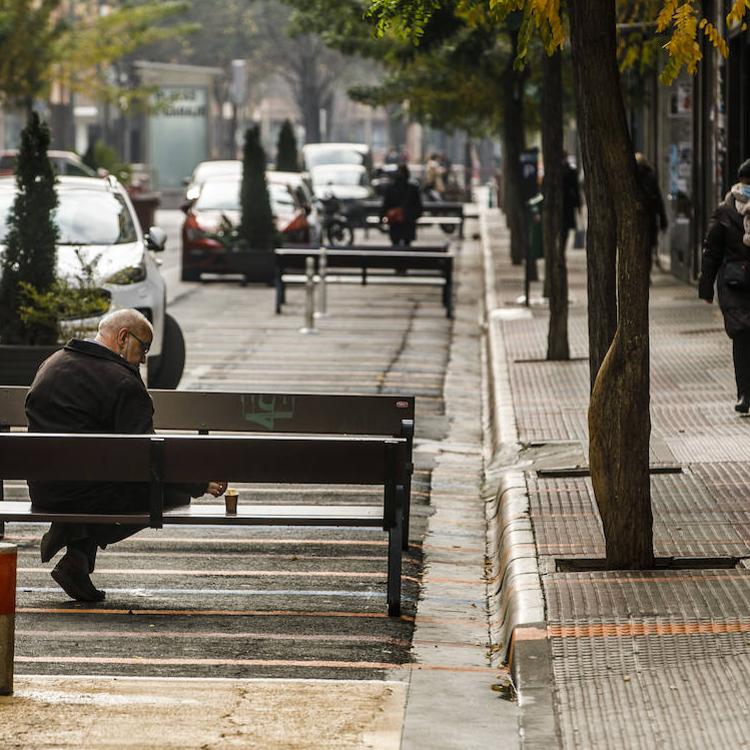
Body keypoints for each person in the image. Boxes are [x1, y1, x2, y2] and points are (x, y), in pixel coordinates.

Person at [25, 309, 227, 602]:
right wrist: (197, 483)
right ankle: (76, 555)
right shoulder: (123, 382)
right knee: (167, 496)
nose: (144, 358)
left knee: (101, 478)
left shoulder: (51, 364)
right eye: (143, 347)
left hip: (45, 492)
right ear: (122, 338)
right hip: (87, 496)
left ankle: (74, 551)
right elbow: (147, 457)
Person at [698, 159, 750, 413]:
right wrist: (705, 286)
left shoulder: (723, 210)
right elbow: (712, 251)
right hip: (734, 283)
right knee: (741, 335)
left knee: (743, 338)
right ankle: (745, 394)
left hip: (735, 281)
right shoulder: (725, 211)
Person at [635, 153, 668, 271]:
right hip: (649, 218)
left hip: (637, 220)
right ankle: (645, 272)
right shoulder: (650, 176)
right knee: (647, 248)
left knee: (638, 248)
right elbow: (658, 200)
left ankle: (640, 271)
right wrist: (663, 220)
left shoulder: (632, 177)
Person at [381, 163, 423, 247]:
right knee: (407, 246)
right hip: (408, 222)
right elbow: (418, 207)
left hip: (394, 222)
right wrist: (412, 216)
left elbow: (385, 205)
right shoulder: (412, 189)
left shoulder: (391, 189)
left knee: (395, 245)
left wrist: (382, 218)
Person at [561, 152, 581, 251]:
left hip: (568, 205)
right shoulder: (555, 172)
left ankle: (561, 250)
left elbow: (576, 190)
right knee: (561, 230)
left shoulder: (571, 171)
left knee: (565, 230)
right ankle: (560, 251)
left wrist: (578, 205)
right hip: (561, 206)